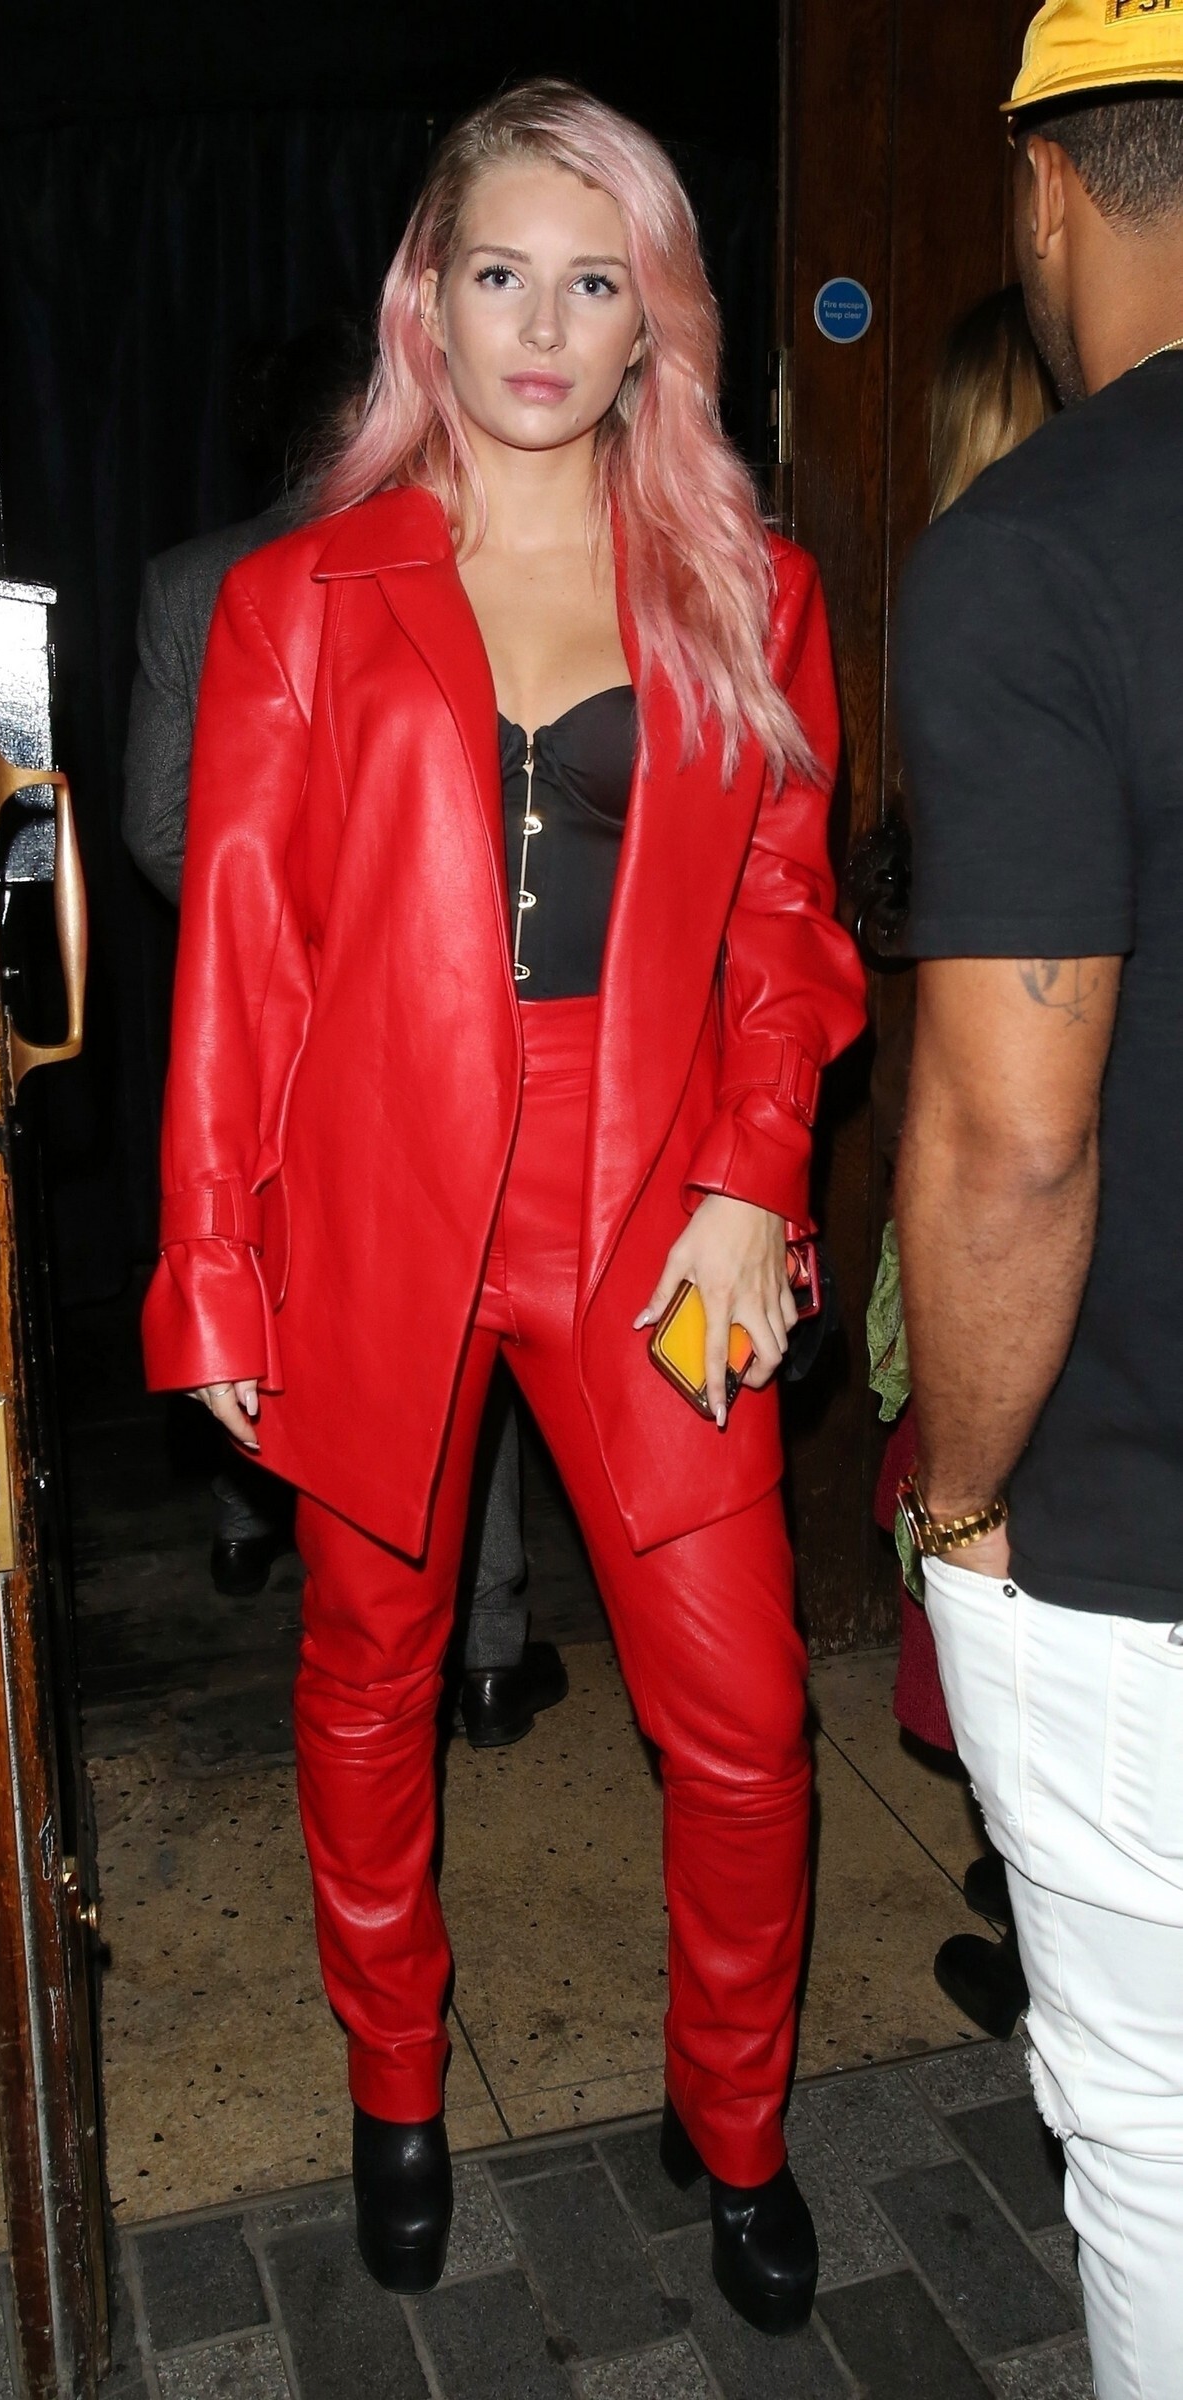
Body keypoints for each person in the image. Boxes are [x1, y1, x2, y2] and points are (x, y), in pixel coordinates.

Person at [142, 80, 864, 2322]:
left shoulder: (747, 588)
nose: (543, 330)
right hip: (376, 1202)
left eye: (594, 281)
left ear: (655, 321)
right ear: (425, 303)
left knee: (744, 1714)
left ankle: (729, 2116)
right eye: (498, 275)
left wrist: (753, 1177)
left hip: (657, 1213)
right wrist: (213, 1266)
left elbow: (786, 925)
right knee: (367, 1675)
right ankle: (394, 2088)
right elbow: (239, 962)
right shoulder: (295, 601)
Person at [895, 5, 1183, 2394]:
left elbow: (1013, 1137)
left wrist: (959, 1495)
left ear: (1043, 189)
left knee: (1156, 2139)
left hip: (1141, 1542)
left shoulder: (1037, 553)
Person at [123, 330, 564, 1754]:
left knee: (306, 1300)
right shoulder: (433, 573)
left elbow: (155, 824)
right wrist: (345, 937)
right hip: (407, 1023)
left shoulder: (190, 575)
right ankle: (488, 1649)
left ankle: (245, 1527)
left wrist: (271, 942)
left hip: (278, 1019)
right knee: (440, 1327)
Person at [870, 284, 1056, 2042]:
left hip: (1029, 1159)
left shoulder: (995, 594)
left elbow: (1008, 1128)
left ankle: (1054, 1932)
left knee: (1000, 1524)